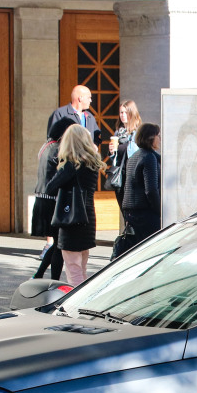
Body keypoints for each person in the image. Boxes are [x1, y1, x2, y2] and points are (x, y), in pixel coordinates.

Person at [45, 124, 104, 285]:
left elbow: (50, 187)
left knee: (73, 270)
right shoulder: (92, 164)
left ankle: (76, 306)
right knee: (81, 268)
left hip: (71, 220)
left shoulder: (71, 166)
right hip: (87, 220)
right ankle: (84, 302)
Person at [32, 117, 75, 280]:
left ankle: (39, 275)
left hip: (42, 197)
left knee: (56, 242)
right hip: (52, 200)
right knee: (59, 243)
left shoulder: (45, 146)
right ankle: (53, 279)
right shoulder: (58, 149)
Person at [118, 123, 162, 256]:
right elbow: (151, 190)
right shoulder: (149, 158)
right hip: (146, 214)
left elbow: (127, 187)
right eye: (157, 135)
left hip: (132, 213)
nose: (160, 138)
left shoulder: (133, 157)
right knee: (149, 254)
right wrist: (160, 210)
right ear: (150, 137)